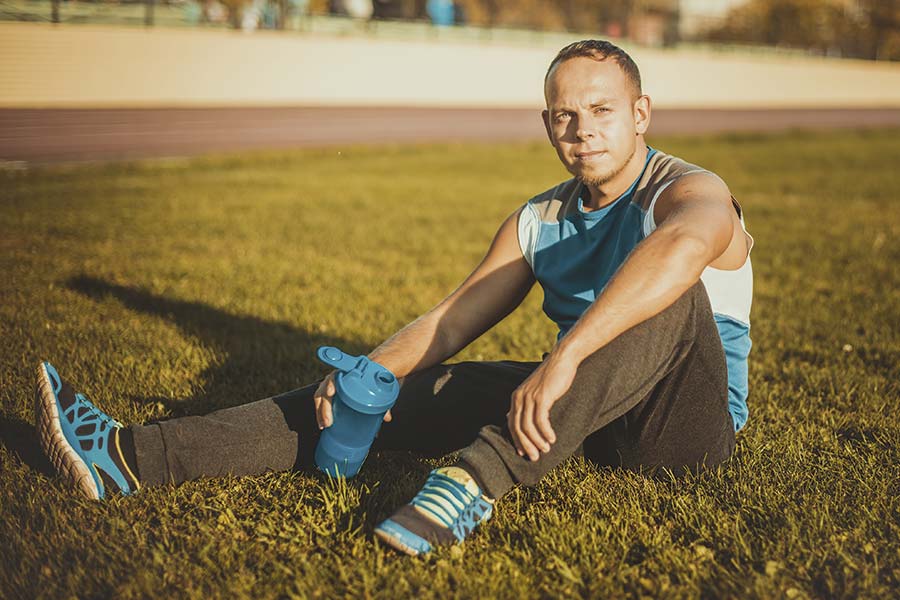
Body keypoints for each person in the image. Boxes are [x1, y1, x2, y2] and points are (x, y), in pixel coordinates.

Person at [34, 39, 753, 556]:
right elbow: (449, 319)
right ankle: (129, 456)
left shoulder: (690, 190)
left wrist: (565, 356)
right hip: (573, 419)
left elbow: (685, 246)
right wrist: (369, 373)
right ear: (547, 125)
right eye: (565, 115)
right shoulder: (540, 219)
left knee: (662, 290)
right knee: (373, 390)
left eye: (602, 109)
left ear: (641, 113)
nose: (583, 129)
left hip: (680, 431)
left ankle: (475, 481)